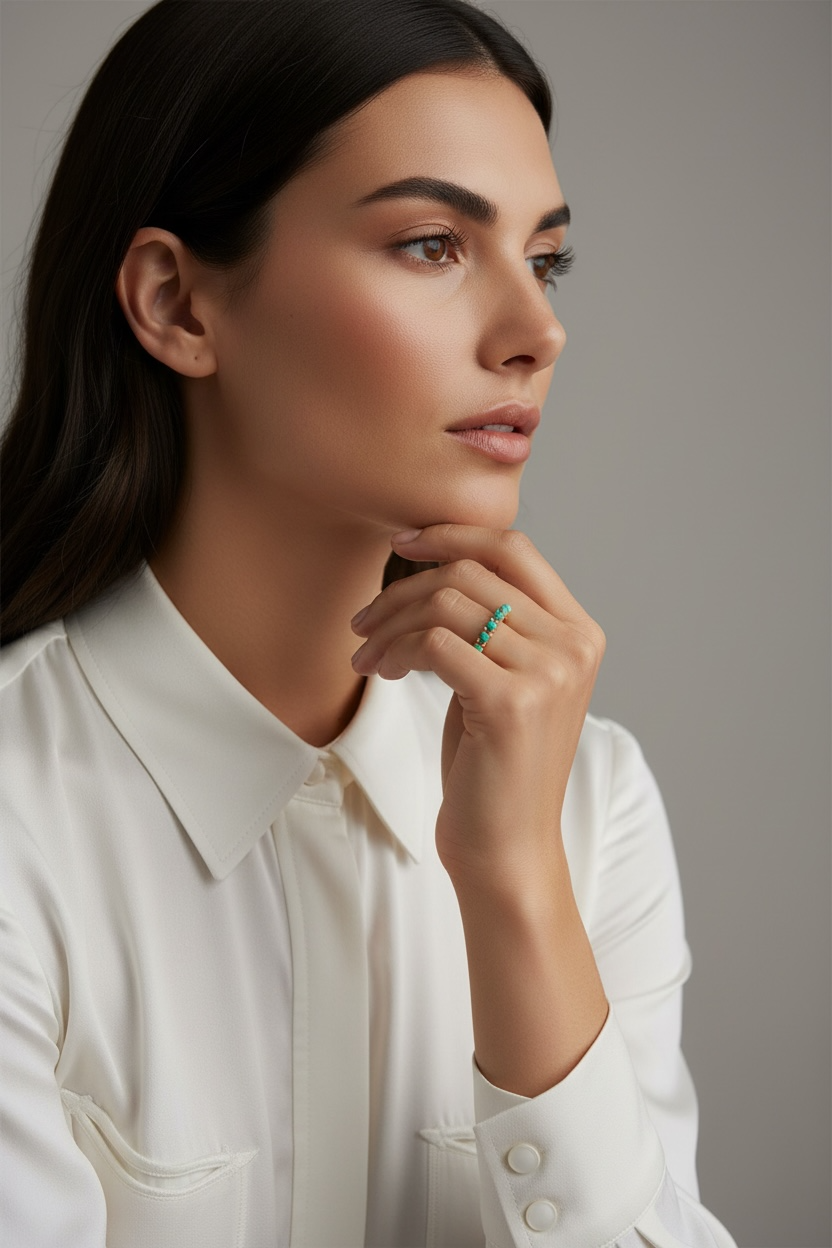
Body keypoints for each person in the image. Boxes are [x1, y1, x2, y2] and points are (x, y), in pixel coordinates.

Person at [0, 1, 738, 1244]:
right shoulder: (21, 816)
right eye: (433, 244)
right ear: (178, 304)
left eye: (544, 259)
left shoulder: (588, 804)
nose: (536, 331)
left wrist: (515, 890)